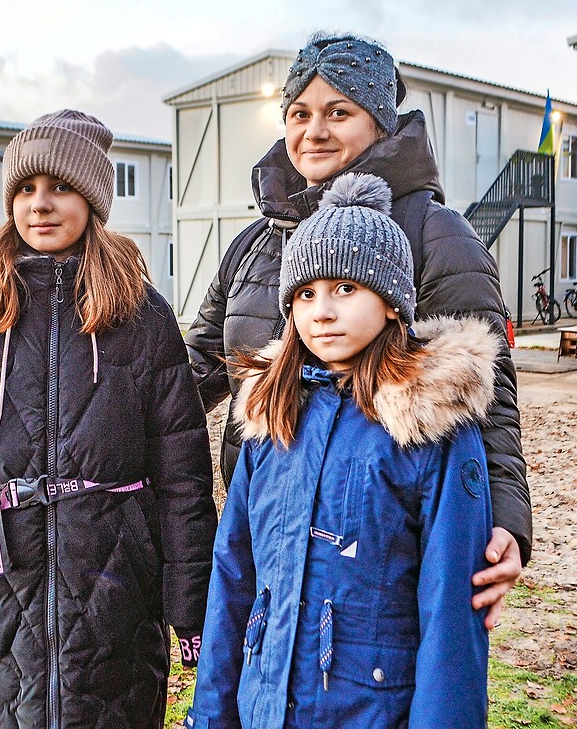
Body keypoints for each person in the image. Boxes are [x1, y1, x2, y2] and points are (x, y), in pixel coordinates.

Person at [184, 32, 530, 626]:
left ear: (380, 125)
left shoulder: (433, 233)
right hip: (271, 517)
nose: (313, 131)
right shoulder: (257, 241)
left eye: (338, 112)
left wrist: (505, 519)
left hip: (381, 537)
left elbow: (486, 390)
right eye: (299, 113)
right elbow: (192, 372)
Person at [0, 110, 217, 728]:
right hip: (0, 577)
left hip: (116, 577)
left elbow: (182, 471)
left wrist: (191, 607)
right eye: (24, 189)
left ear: (93, 200)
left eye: (60, 187)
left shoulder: (142, 314)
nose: (40, 205)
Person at [185, 173, 496, 728]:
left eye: (345, 289)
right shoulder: (271, 416)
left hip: (369, 709)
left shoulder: (429, 427)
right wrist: (211, 717)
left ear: (394, 304)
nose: (322, 312)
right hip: (264, 704)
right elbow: (232, 578)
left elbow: (451, 610)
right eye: (305, 294)